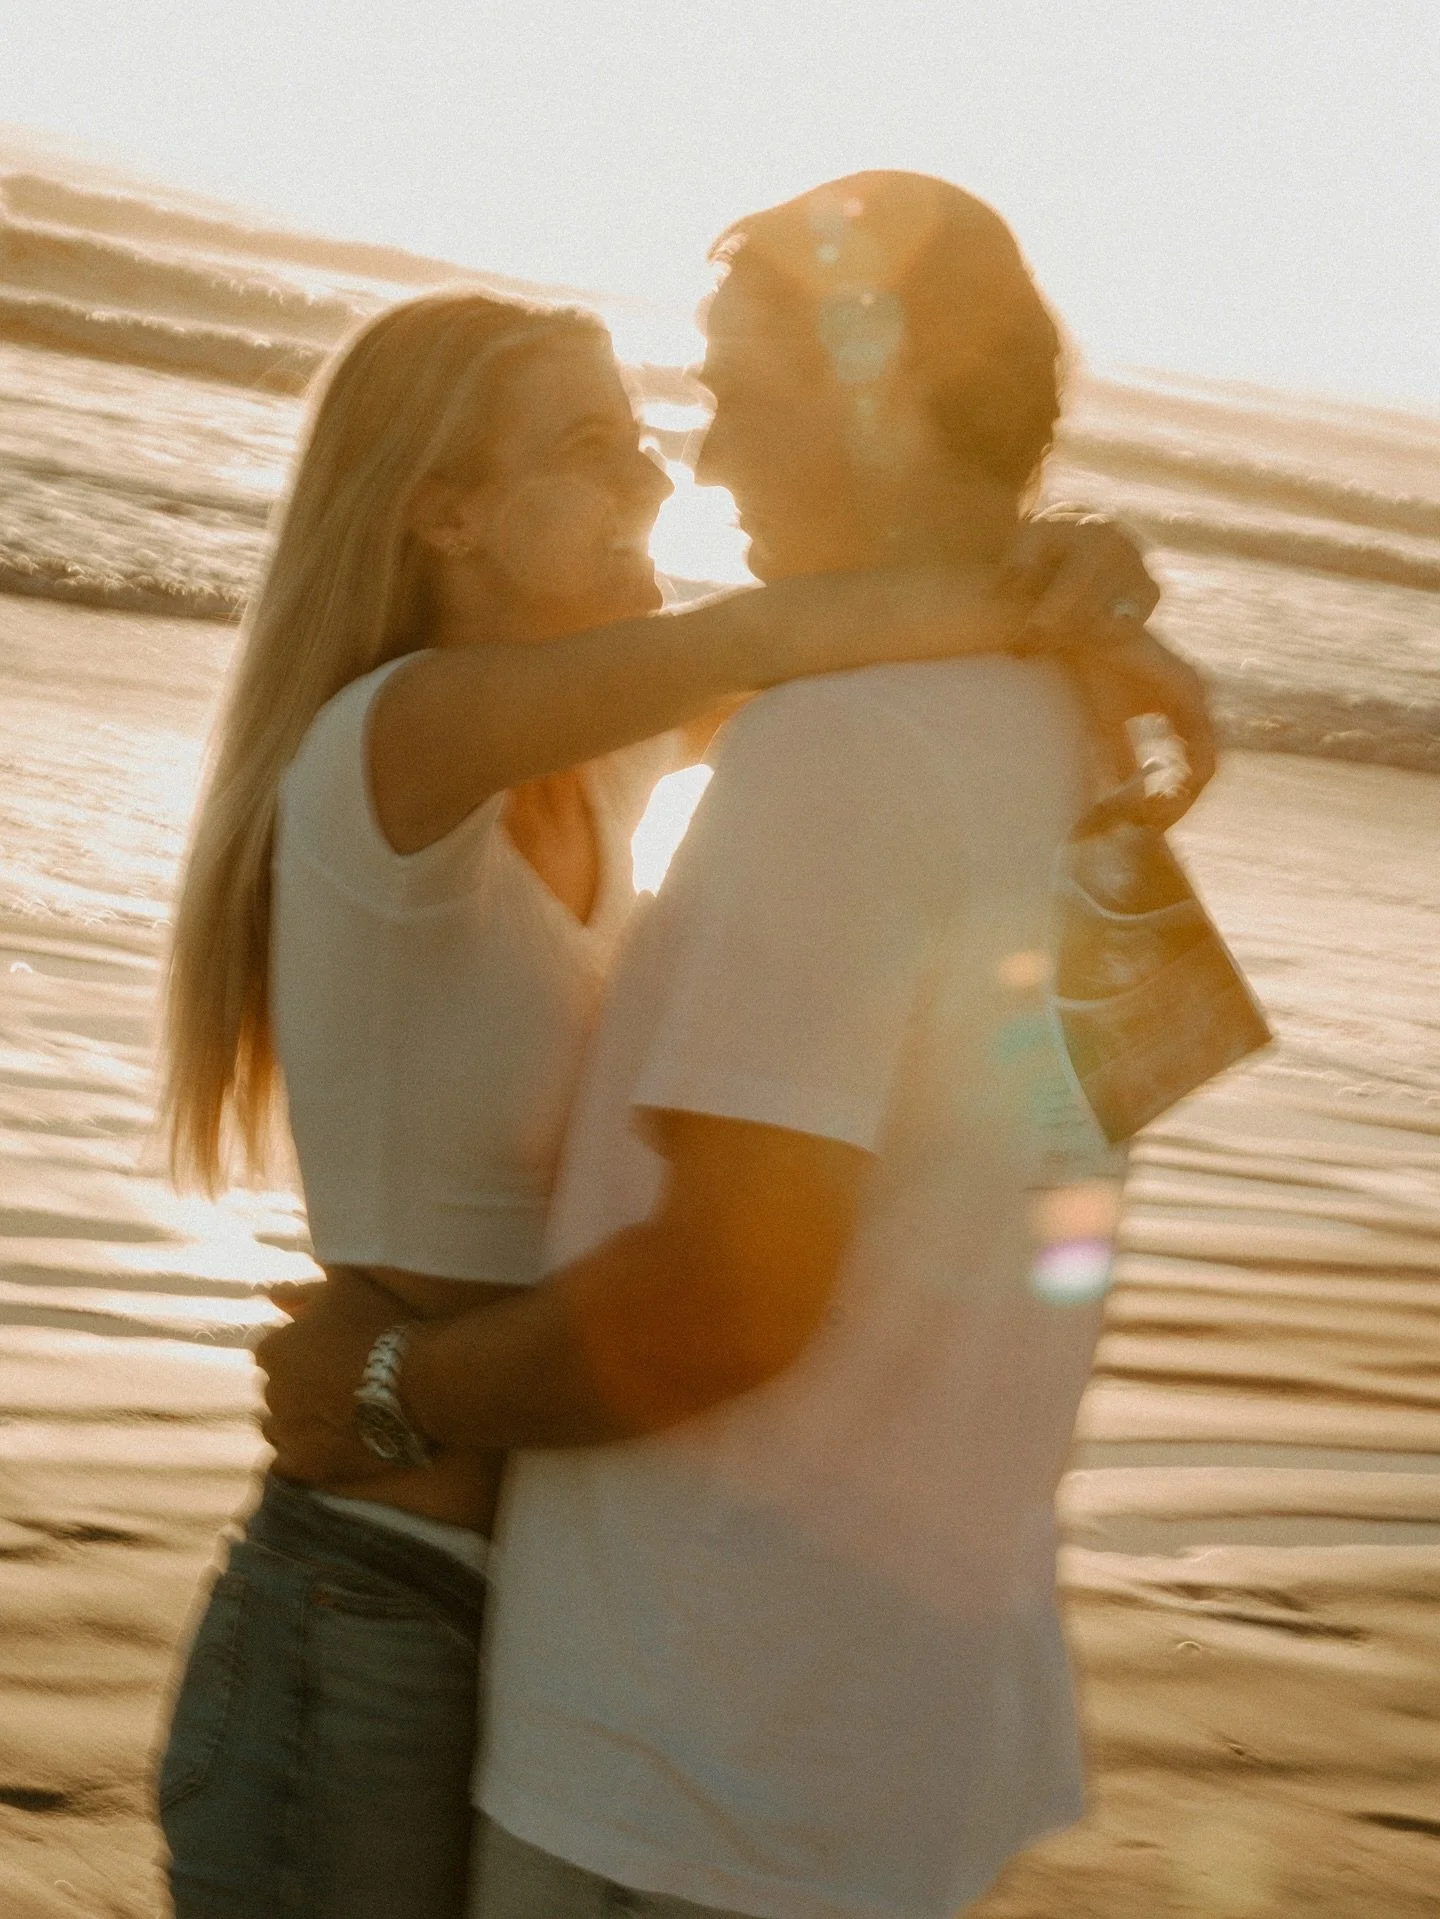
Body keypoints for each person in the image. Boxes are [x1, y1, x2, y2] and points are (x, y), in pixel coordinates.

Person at [156, 272, 1189, 1919]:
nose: (660, 479)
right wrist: (1066, 595)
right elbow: (781, 635)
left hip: (516, 1590)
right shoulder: (387, 746)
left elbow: (859, 682)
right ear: (448, 512)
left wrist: (1086, 577)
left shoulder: (613, 760)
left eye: (653, 428)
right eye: (595, 442)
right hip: (367, 1596)